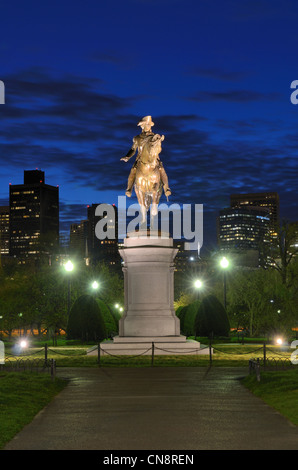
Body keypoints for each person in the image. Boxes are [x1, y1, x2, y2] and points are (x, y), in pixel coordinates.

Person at [121, 116, 171, 197]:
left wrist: (158, 144)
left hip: (154, 158)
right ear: (142, 126)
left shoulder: (155, 137)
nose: (148, 126)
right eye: (146, 124)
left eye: (149, 125)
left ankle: (166, 189)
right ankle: (129, 188)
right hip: (140, 158)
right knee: (133, 171)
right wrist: (127, 156)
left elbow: (159, 149)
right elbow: (133, 149)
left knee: (162, 170)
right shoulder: (137, 138)